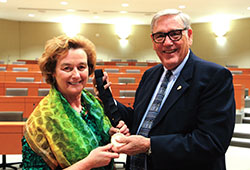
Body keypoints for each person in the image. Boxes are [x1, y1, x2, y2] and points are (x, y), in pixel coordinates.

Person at [96, 9, 235, 170]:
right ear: (153, 40)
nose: (167, 42)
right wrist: (109, 99)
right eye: (160, 36)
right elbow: (140, 121)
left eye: (175, 34)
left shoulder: (214, 76)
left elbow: (211, 142)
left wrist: (149, 145)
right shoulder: (150, 75)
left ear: (189, 36)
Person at [22, 34, 129, 170]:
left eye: (81, 67)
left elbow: (97, 141)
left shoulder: (94, 105)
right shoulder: (40, 121)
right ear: (52, 72)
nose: (76, 75)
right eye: (67, 68)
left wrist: (113, 136)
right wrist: (87, 164)